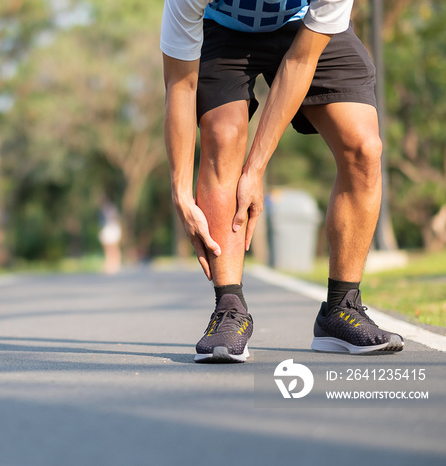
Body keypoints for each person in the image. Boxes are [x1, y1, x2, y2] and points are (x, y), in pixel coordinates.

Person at [160, 0, 404, 362]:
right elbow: (181, 85)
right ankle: (229, 309)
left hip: (305, 29)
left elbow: (301, 60)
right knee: (223, 134)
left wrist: (256, 169)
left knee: (363, 147)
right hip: (222, 29)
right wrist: (181, 193)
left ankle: (341, 308)